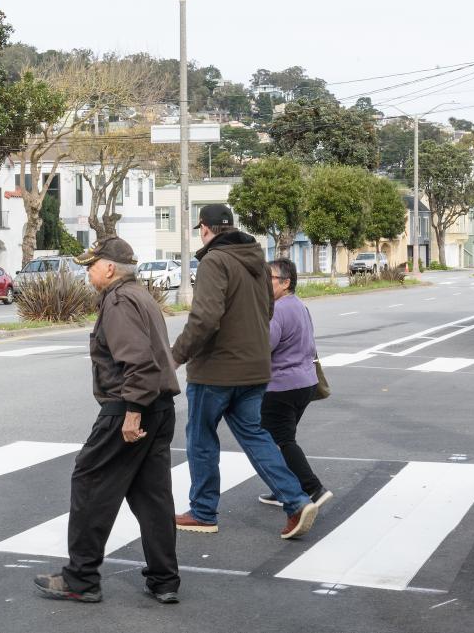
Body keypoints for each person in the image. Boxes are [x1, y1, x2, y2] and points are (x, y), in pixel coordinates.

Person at [33, 236, 182, 605]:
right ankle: (164, 580)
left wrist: (132, 413)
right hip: (159, 407)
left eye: (91, 266)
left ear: (110, 268)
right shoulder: (141, 295)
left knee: (90, 482)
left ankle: (80, 579)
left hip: (130, 408)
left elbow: (138, 363)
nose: (87, 272)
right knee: (152, 497)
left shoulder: (118, 300)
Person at [170, 204, 318, 541]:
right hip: (255, 368)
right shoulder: (256, 261)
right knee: (255, 436)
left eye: (201, 230)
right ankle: (295, 500)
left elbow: (205, 317)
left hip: (217, 370)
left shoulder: (213, 261)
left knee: (201, 438)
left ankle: (204, 511)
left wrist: (176, 356)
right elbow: (268, 309)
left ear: (204, 229)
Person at [259, 258, 331, 510]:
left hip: (281, 386)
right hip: (305, 383)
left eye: (268, 279)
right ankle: (284, 489)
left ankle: (312, 488)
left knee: (280, 440)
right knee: (282, 439)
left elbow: (264, 347)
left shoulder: (277, 310)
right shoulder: (299, 306)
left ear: (286, 282)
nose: (263, 284)